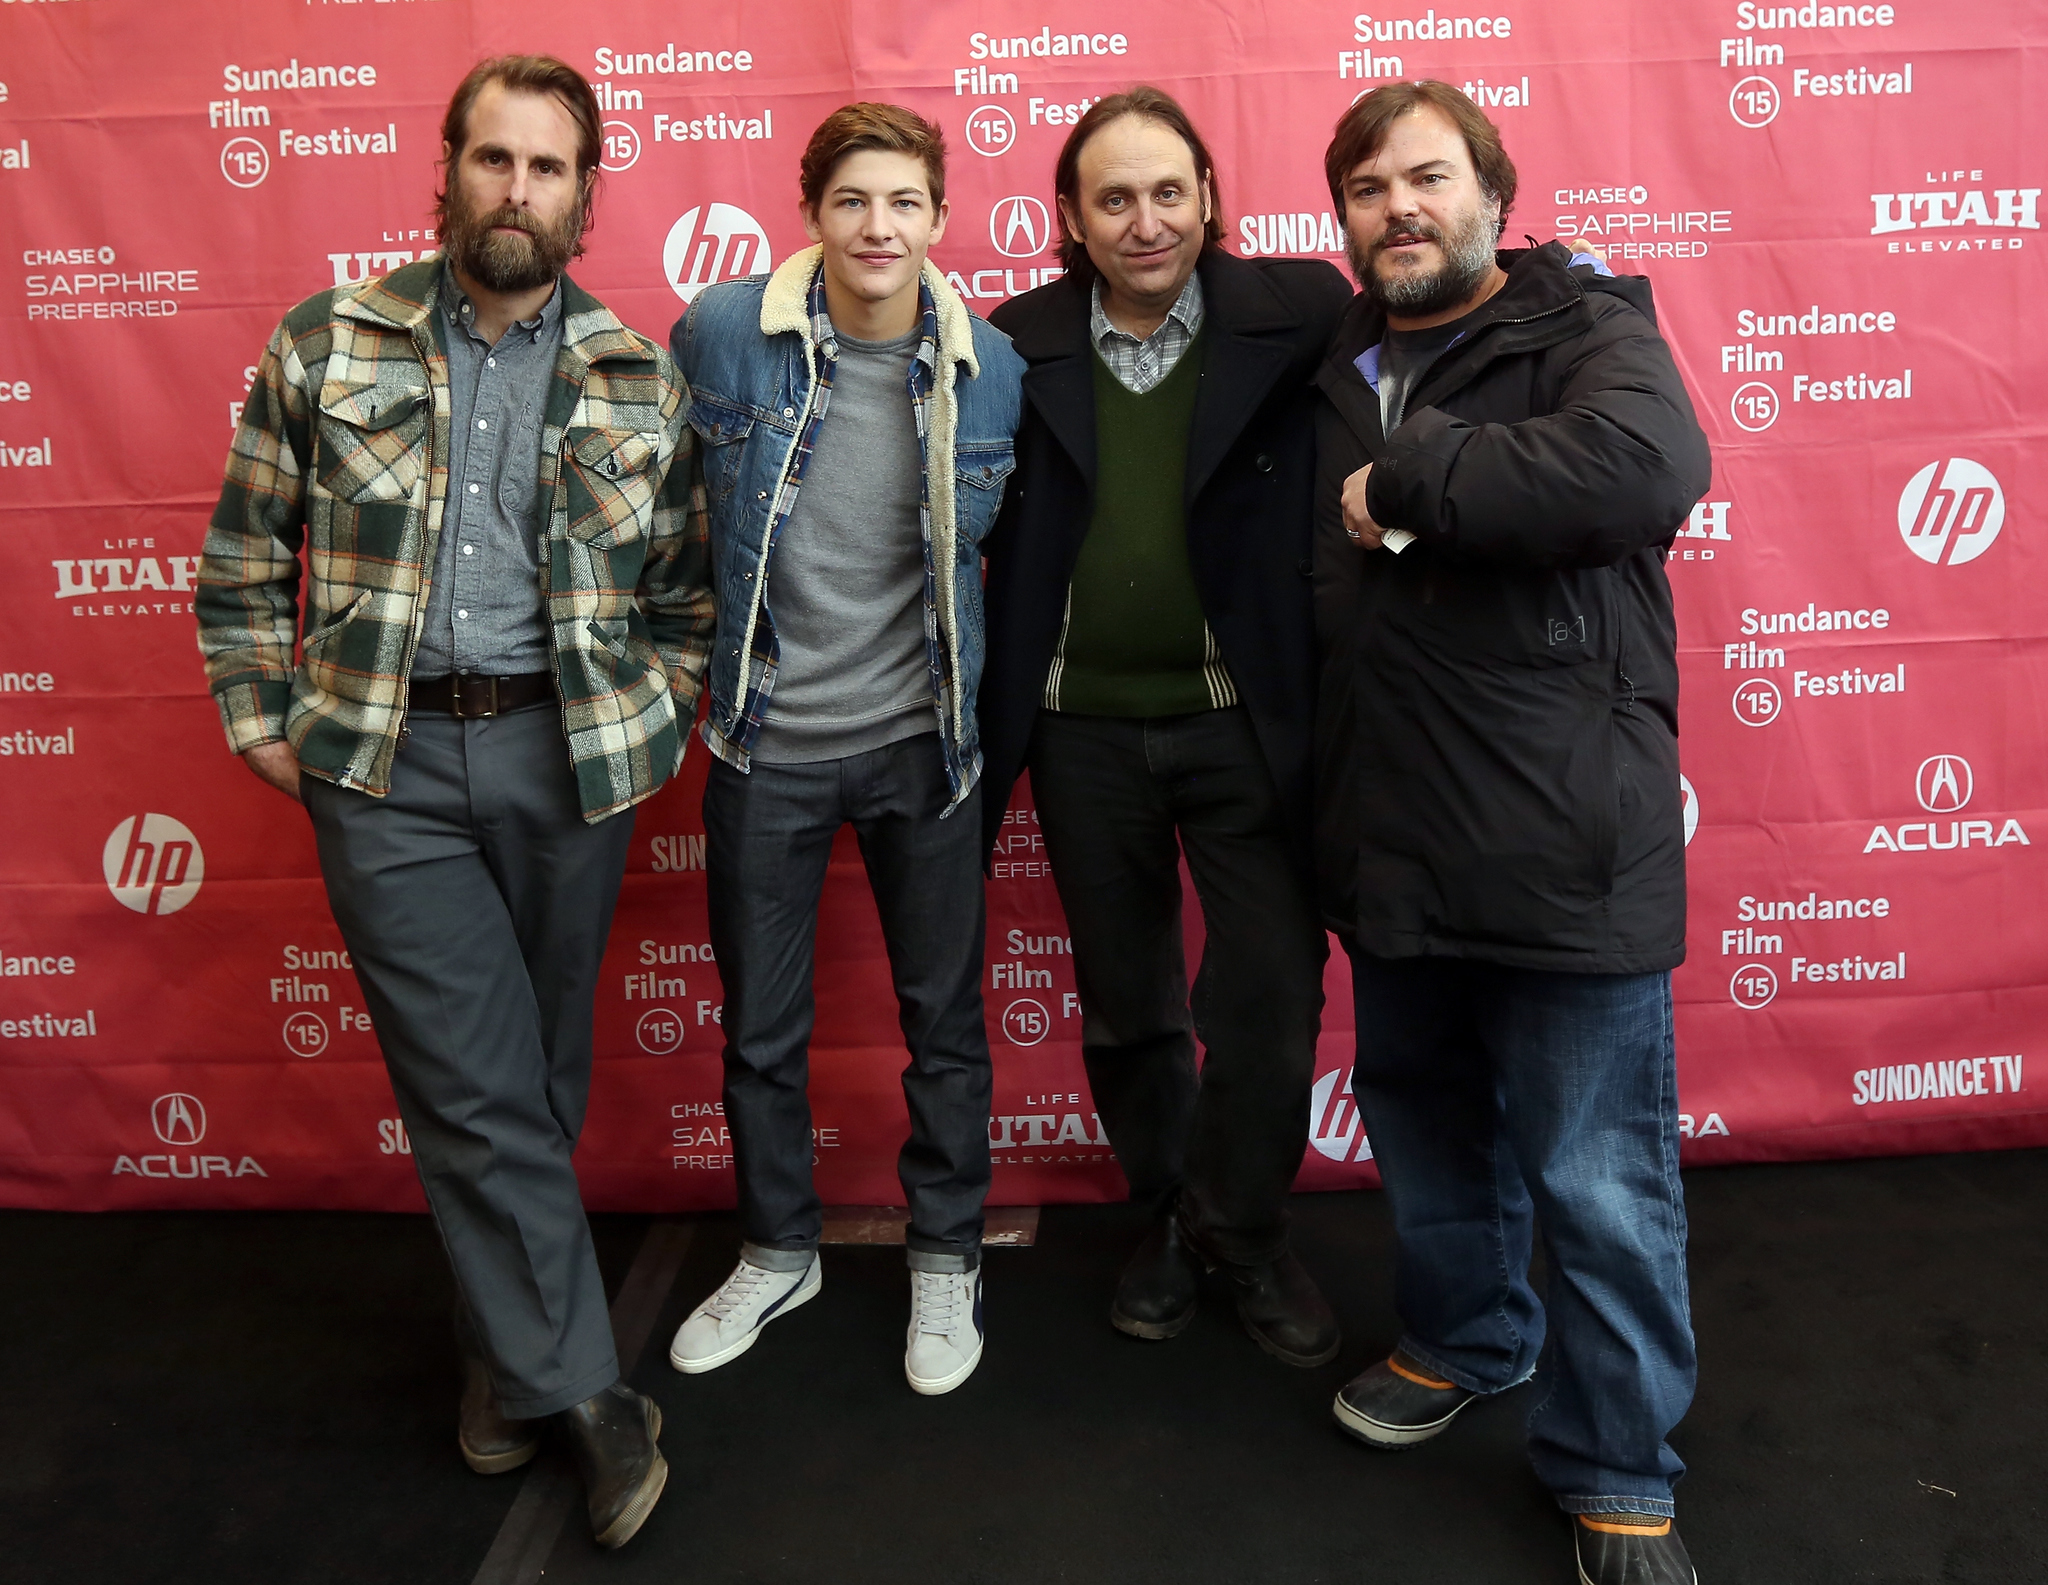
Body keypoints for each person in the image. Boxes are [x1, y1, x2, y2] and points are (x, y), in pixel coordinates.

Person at [193, 55, 710, 1550]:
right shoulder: (327, 338)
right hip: (386, 765)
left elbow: (680, 592)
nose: (517, 191)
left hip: (568, 761)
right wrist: (263, 720)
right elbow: (240, 562)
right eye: (494, 160)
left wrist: (655, 718)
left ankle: (504, 1363)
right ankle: (596, 1396)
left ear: (586, 195)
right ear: (448, 169)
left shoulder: (633, 367)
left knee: (533, 1071)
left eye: (548, 169)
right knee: (477, 1079)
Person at [1312, 80, 1711, 1585]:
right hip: (1394, 839)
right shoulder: (1338, 358)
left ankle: (1619, 1460)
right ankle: (1466, 1337)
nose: (1399, 206)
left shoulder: (1588, 328)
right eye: (1368, 187)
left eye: (1428, 177)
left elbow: (1648, 470)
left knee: (1598, 1176)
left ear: (1493, 190)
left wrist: (1409, 479)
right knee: (1423, 1127)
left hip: (1564, 846)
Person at [979, 88, 1351, 1367]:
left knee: (1267, 998)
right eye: (1113, 198)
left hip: (1242, 723)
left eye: (1168, 191)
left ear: (1206, 194)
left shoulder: (1293, 315)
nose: (1146, 221)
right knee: (1127, 1003)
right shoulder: (1013, 345)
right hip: (1081, 734)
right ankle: (1166, 1219)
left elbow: (1442, 305)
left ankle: (1239, 1232)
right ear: (1071, 219)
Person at [663, 104, 1023, 1397]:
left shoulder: (993, 366)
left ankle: (944, 1255)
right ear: (811, 211)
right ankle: (780, 1246)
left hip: (924, 749)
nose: (882, 227)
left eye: (906, 202)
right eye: (855, 200)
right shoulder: (719, 335)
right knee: (760, 1030)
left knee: (946, 1025)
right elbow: (665, 529)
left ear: (937, 215)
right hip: (765, 747)